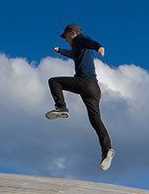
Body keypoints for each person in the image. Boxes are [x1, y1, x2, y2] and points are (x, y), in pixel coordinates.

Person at [45, 23, 114, 170]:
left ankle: (62, 108)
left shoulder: (79, 39)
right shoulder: (78, 48)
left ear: (72, 33)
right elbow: (74, 55)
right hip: (94, 90)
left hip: (85, 82)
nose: (66, 40)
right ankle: (107, 150)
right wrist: (61, 51)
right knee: (95, 120)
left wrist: (98, 47)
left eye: (66, 37)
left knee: (54, 81)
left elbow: (89, 42)